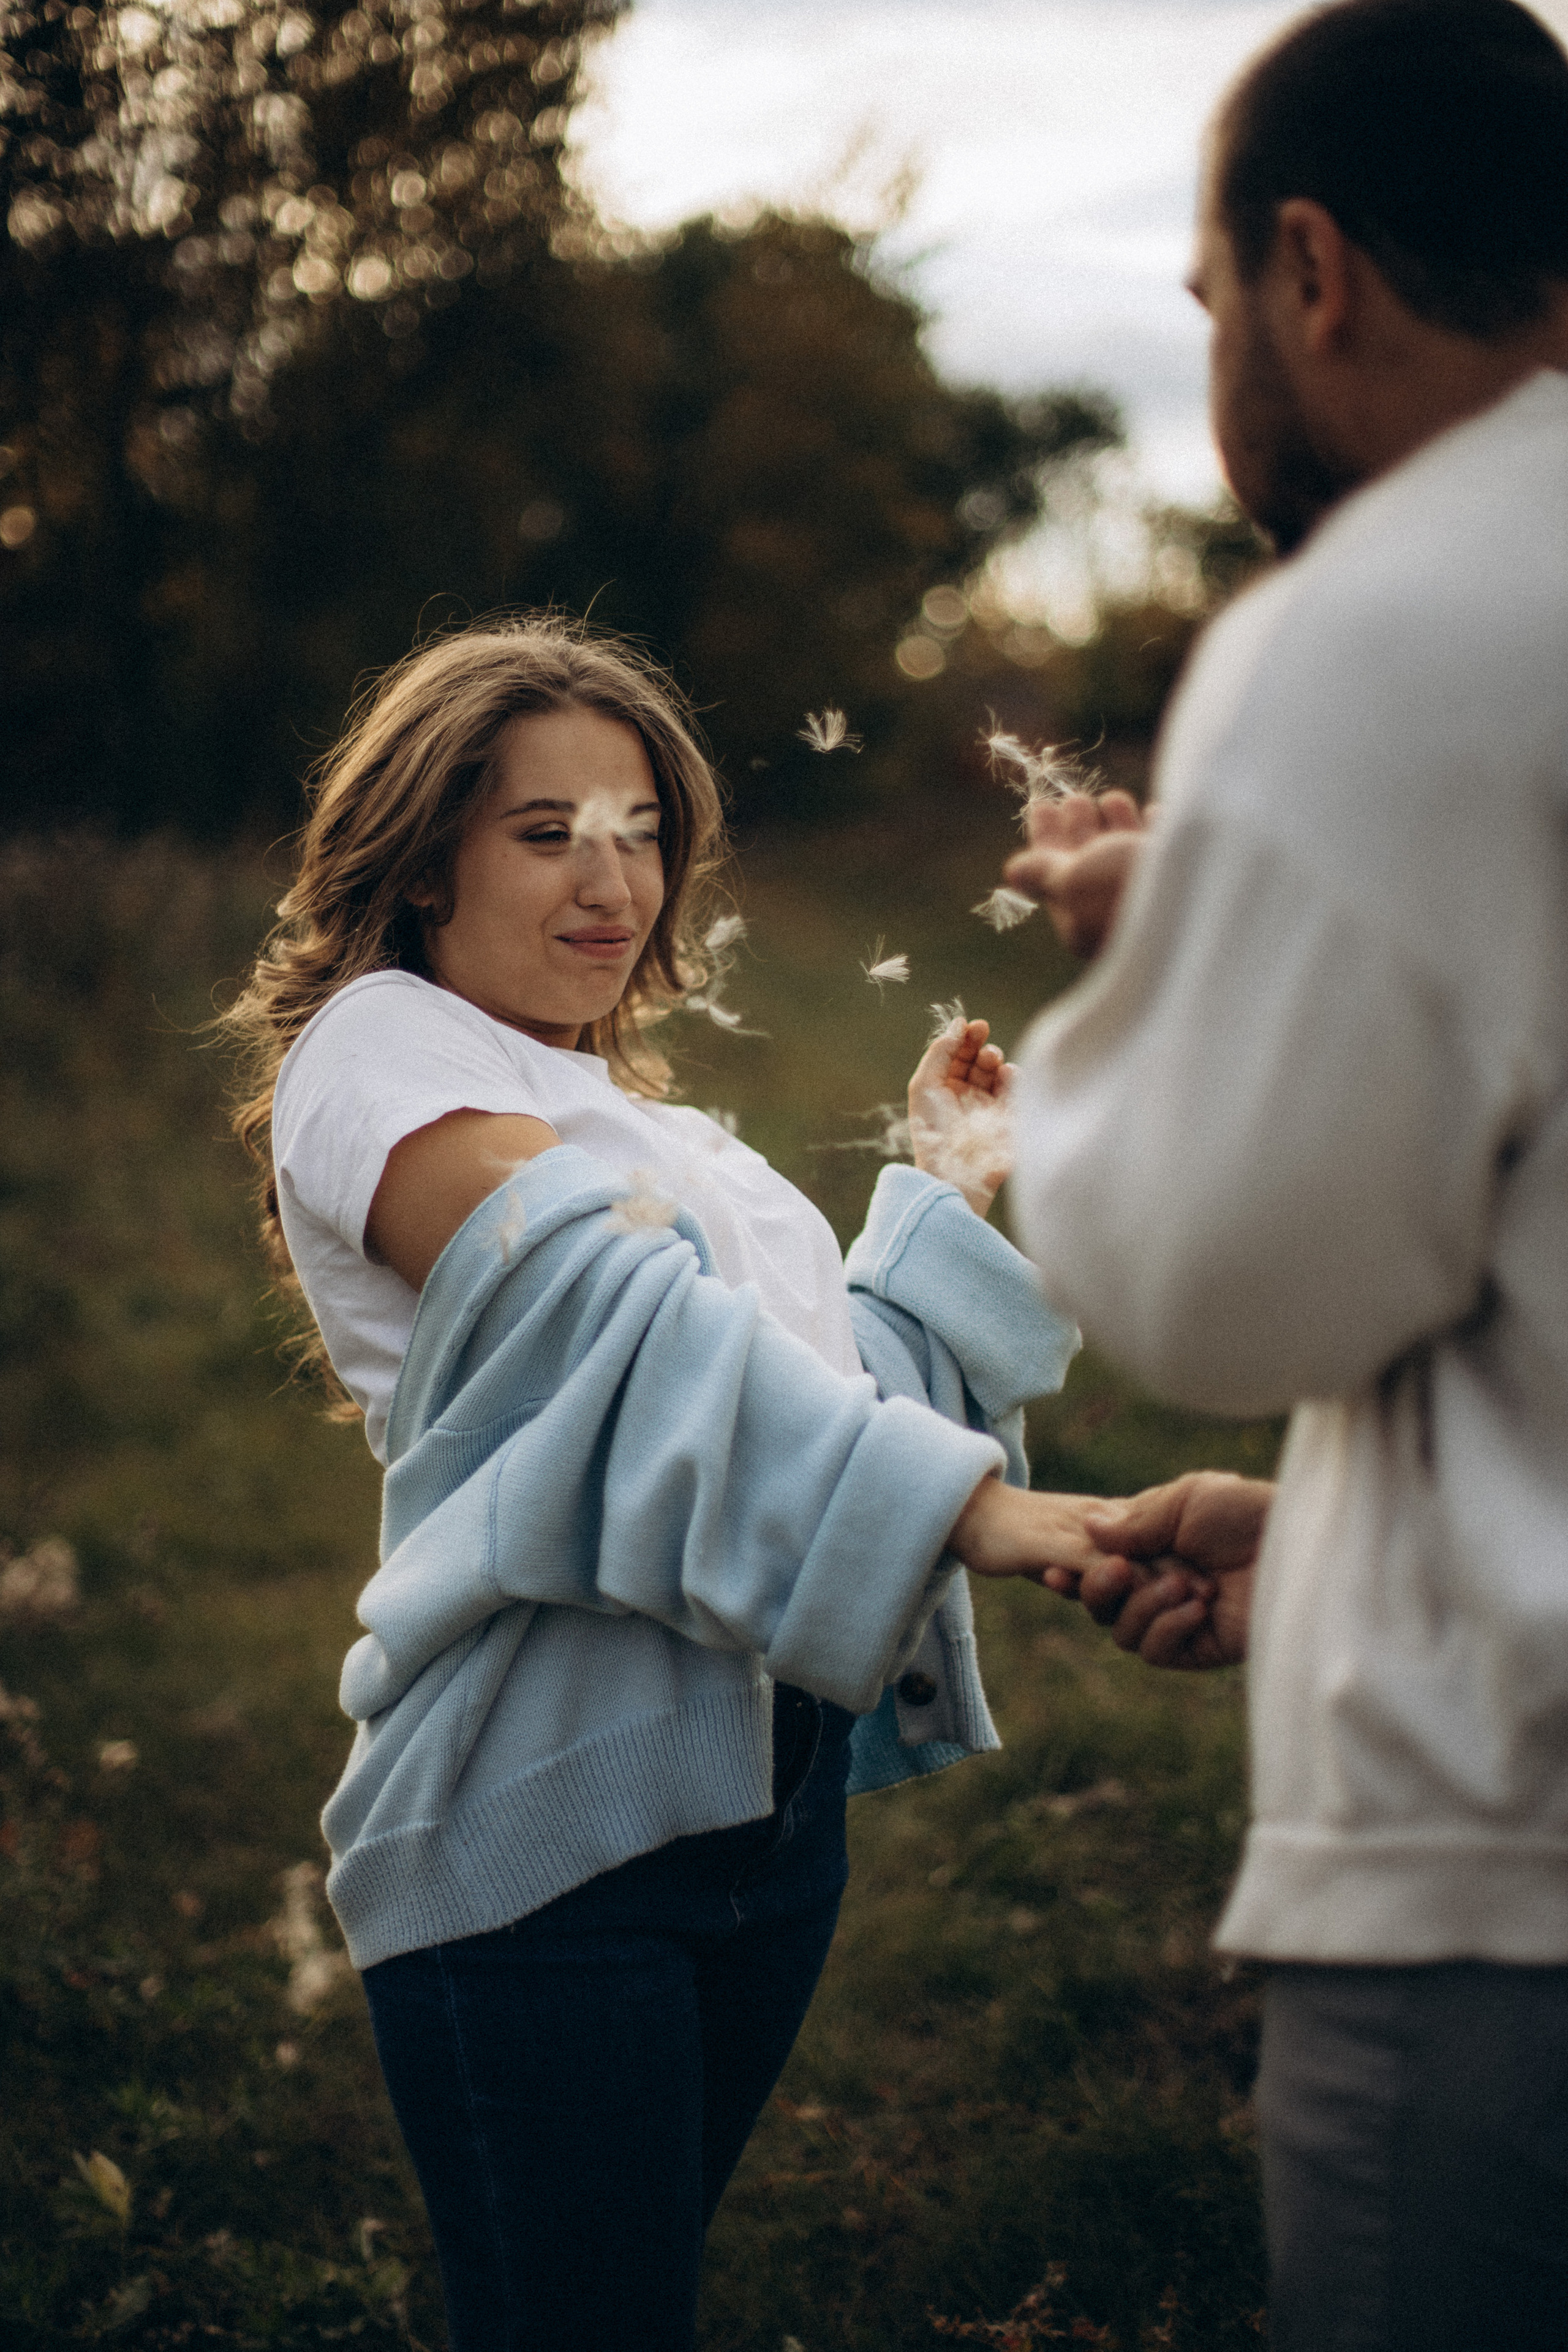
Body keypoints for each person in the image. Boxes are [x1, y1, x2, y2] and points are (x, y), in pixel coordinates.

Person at [223, 617, 1111, 2352]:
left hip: (764, 1818)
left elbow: (808, 1392)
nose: (610, 879)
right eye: (545, 831)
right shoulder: (379, 1049)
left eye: (639, 831)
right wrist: (968, 1508)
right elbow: (609, 1336)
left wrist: (942, 1188)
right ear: (425, 862)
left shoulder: (651, 1129)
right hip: (544, 1837)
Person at [998, 3, 1568, 2346]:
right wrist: (1330, 1530)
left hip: (1508, 1891)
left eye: (1211, 301)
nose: (1223, 356)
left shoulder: (1390, 618)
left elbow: (1219, 1287)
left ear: (1311, 271)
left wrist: (1162, 986)